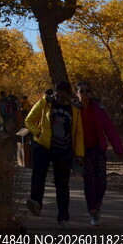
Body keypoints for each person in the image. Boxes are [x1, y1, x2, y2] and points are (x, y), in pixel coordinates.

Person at [25, 81, 84, 226]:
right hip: (44, 146)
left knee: (62, 184)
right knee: (38, 176)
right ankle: (36, 203)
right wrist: (38, 134)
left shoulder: (74, 109)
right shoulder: (45, 103)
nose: (60, 97)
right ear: (54, 92)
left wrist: (79, 153)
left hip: (64, 150)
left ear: (68, 95)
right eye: (58, 94)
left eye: (63, 95)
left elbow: (78, 133)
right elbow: (29, 121)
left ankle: (63, 217)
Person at [76, 81, 123, 226]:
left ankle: (98, 203)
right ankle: (92, 210)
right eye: (81, 91)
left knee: (102, 179)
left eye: (87, 91)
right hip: (83, 150)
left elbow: (110, 129)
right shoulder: (73, 110)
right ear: (76, 93)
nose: (84, 93)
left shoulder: (98, 109)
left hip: (98, 148)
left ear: (91, 93)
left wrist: (119, 149)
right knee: (89, 180)